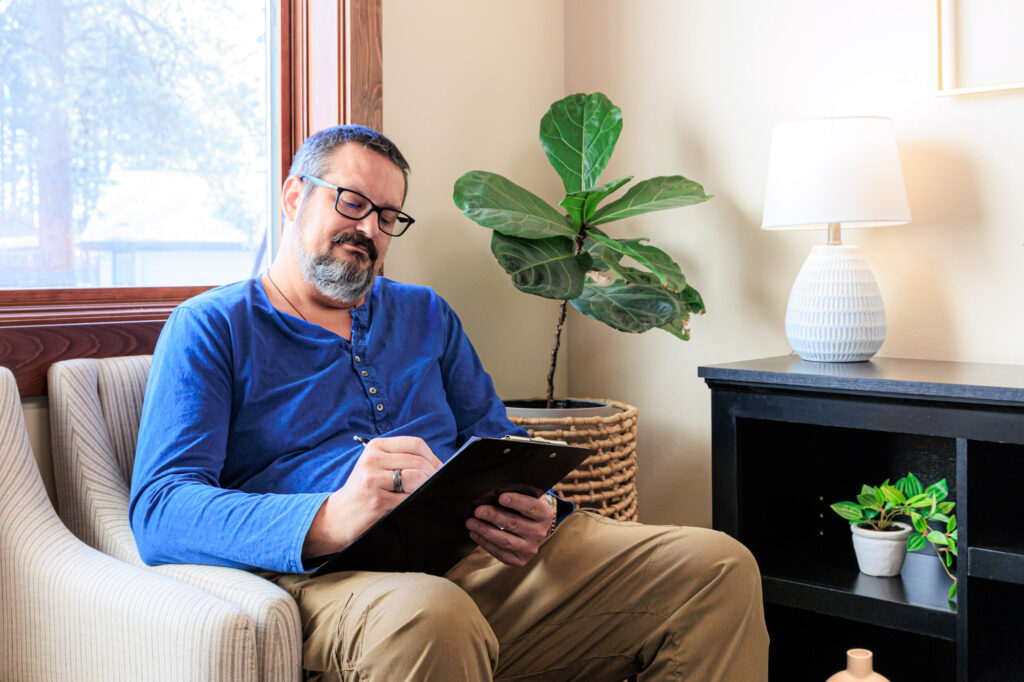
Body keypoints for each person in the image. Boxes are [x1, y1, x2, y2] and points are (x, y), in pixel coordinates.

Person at [130, 124, 769, 681]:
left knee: (716, 565)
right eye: (352, 203)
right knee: (434, 617)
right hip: (336, 583)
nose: (368, 229)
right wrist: (329, 516)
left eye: (387, 217)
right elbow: (160, 511)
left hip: (477, 558)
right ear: (295, 196)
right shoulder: (212, 326)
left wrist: (534, 509)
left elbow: (497, 443)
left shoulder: (425, 314)